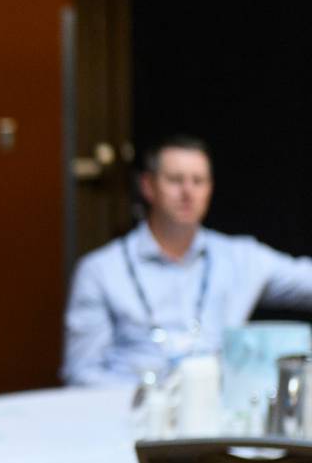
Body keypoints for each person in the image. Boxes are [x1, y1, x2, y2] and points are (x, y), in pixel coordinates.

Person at [62, 135, 312, 385]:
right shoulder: (101, 270)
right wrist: (153, 401)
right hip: (131, 409)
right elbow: (82, 373)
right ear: (148, 186)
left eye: (198, 181)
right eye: (175, 180)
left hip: (218, 411)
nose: (187, 192)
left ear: (210, 189)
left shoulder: (241, 258)